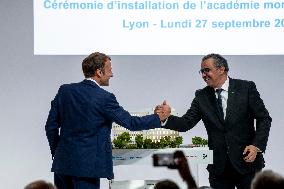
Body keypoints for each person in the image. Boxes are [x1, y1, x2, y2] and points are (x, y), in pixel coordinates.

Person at [45, 52, 167, 189]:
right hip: (87, 170)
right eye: (110, 70)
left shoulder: (64, 91)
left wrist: (58, 153)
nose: (112, 74)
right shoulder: (104, 98)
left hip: (62, 165)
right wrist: (159, 117)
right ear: (99, 72)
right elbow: (131, 123)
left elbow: (50, 127)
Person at [155, 54, 272, 189]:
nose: (204, 75)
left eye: (207, 70)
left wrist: (256, 146)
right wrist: (166, 119)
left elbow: (264, 119)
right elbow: (186, 123)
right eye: (202, 71)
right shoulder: (201, 96)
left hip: (247, 165)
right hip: (219, 169)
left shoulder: (246, 88)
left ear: (221, 69)